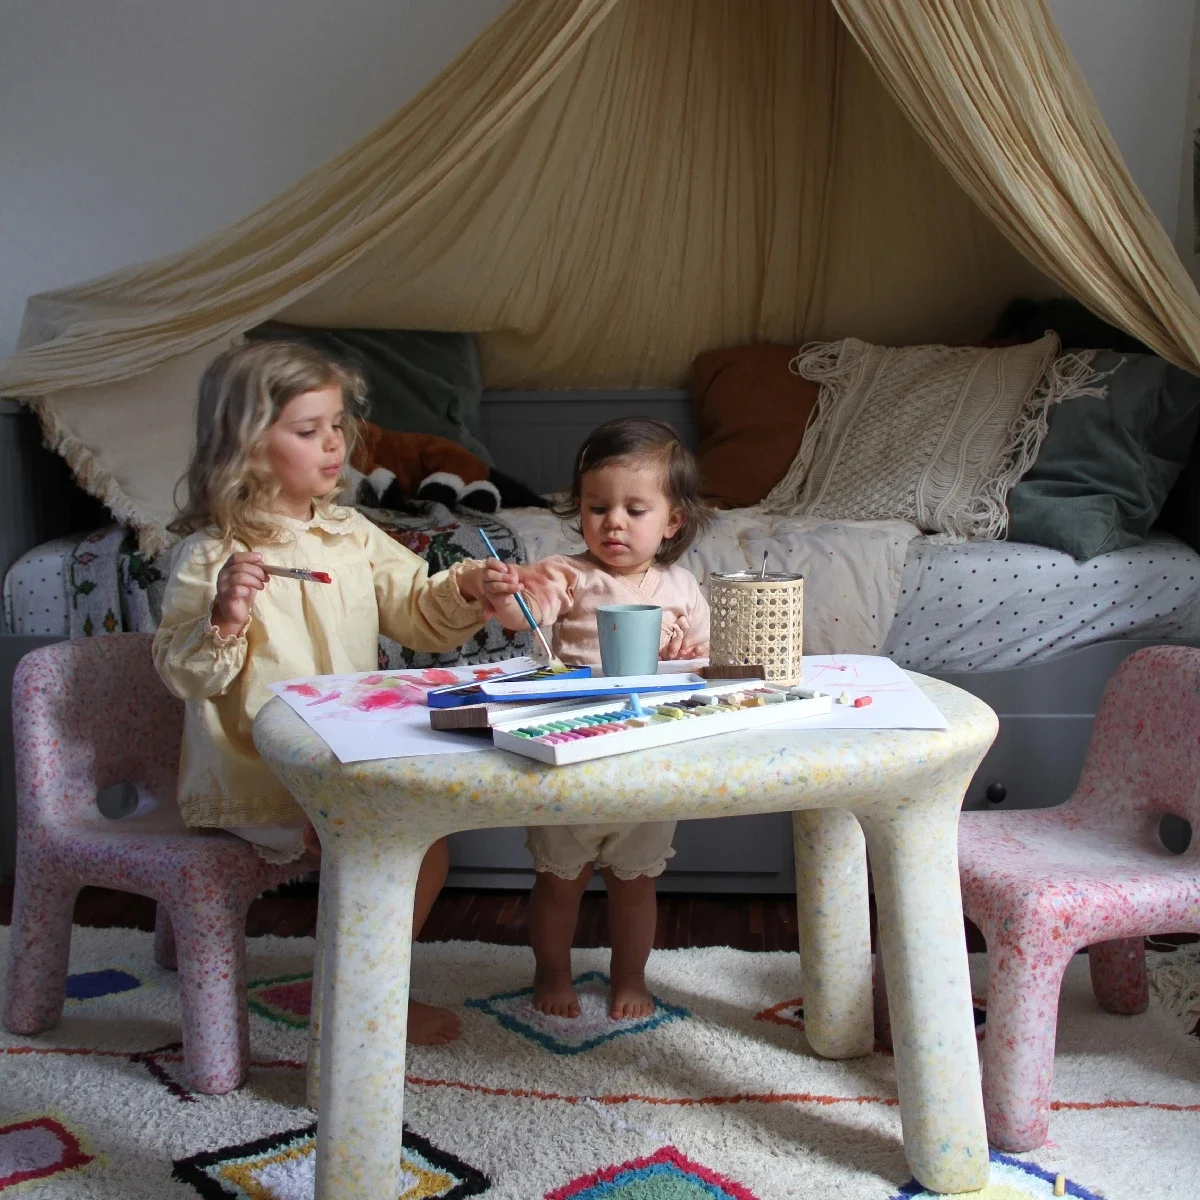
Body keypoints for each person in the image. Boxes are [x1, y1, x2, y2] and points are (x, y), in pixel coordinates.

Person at [153, 339, 494, 1046]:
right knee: (386, 844)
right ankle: (363, 1005)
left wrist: (466, 585)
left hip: (339, 756)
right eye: (309, 431)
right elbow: (185, 675)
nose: (335, 444)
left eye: (337, 425)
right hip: (257, 773)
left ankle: (362, 985)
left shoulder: (349, 533)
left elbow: (418, 611)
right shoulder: (214, 553)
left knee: (421, 839)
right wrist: (225, 616)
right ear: (249, 447)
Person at [484, 417, 712, 1020]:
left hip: (646, 759)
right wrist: (508, 595)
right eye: (597, 507)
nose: (614, 522)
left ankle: (630, 977)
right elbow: (523, 615)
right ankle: (552, 971)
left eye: (635, 510)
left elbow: (705, 661)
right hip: (571, 754)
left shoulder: (681, 586)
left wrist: (689, 655)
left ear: (672, 521)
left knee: (635, 885)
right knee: (560, 883)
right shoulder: (569, 573)